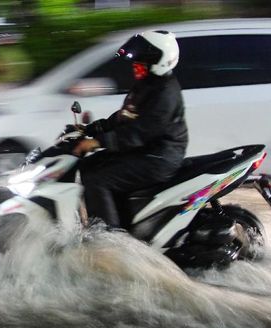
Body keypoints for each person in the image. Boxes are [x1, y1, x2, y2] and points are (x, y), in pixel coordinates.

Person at [73, 30, 189, 229]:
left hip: (158, 157)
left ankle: (109, 239)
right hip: (143, 152)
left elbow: (141, 132)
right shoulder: (147, 85)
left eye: (140, 63)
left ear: (158, 62)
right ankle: (117, 223)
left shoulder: (165, 93)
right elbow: (124, 117)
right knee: (86, 167)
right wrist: (91, 129)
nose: (135, 66)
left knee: (97, 180)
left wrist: (99, 142)